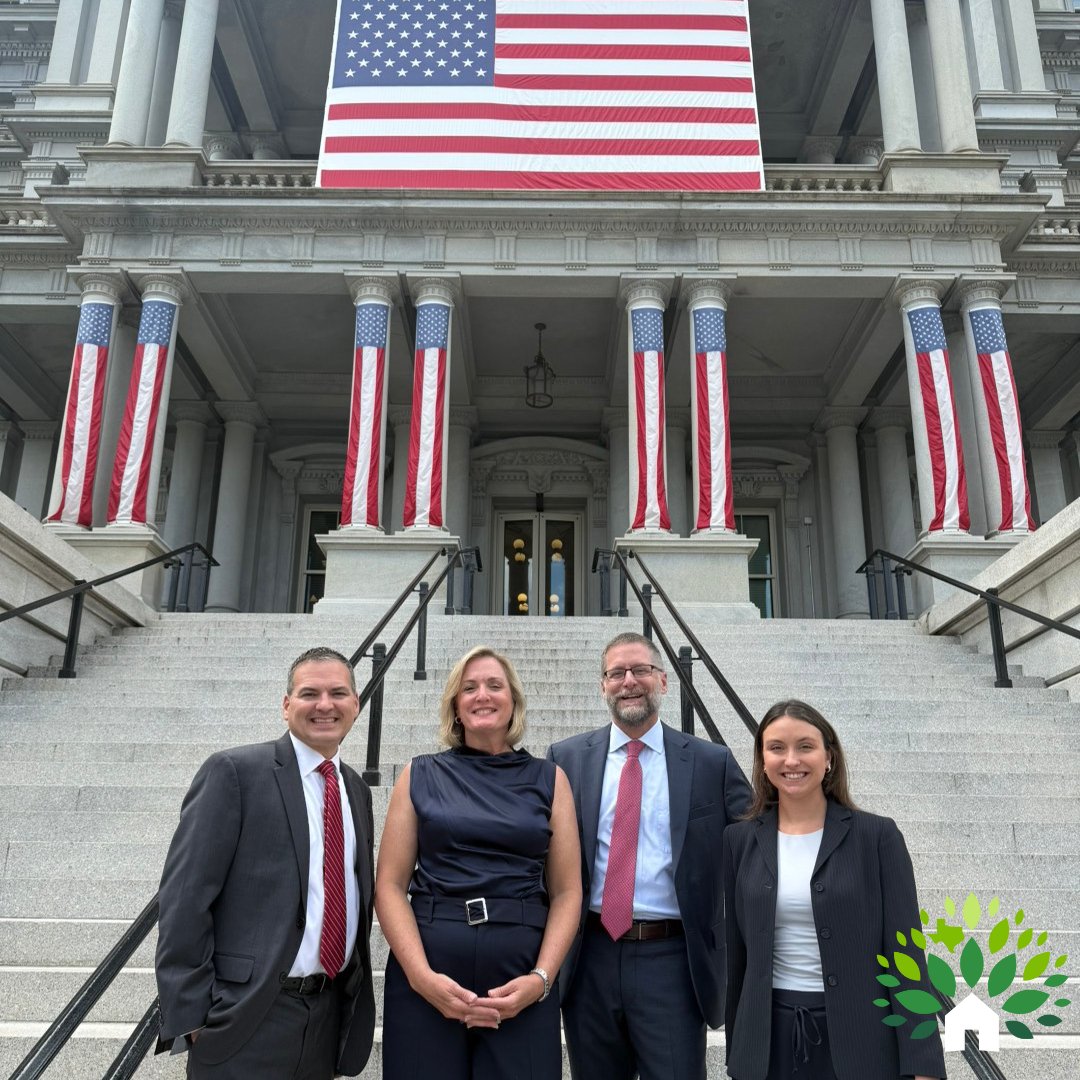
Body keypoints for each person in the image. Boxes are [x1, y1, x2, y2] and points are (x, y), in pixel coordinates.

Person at [155, 646, 376, 1079]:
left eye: (338, 693)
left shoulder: (355, 789)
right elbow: (185, 897)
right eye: (310, 693)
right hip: (247, 1017)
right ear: (286, 704)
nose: (325, 705)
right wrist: (194, 1017)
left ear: (355, 704)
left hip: (326, 1018)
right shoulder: (235, 772)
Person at [547, 631, 752, 1080]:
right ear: (603, 685)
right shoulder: (565, 760)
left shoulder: (709, 762)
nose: (629, 681)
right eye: (616, 672)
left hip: (673, 960)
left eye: (640, 670)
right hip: (590, 957)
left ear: (663, 680)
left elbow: (757, 846)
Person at [376, 645, 581, 1080]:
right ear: (455, 705)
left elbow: (567, 892)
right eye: (469, 688)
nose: (482, 695)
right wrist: (421, 977)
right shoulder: (418, 774)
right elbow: (390, 886)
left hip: (520, 978)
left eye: (494, 685)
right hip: (428, 974)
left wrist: (541, 980)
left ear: (514, 702)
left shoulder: (551, 779)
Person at [722, 699, 946, 1080]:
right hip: (766, 1043)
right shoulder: (739, 840)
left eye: (805, 746)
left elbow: (906, 953)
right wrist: (737, 1051)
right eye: (776, 748)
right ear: (762, 760)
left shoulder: (877, 837)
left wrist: (922, 1064)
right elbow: (737, 958)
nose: (791, 760)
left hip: (860, 1041)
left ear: (829, 758)